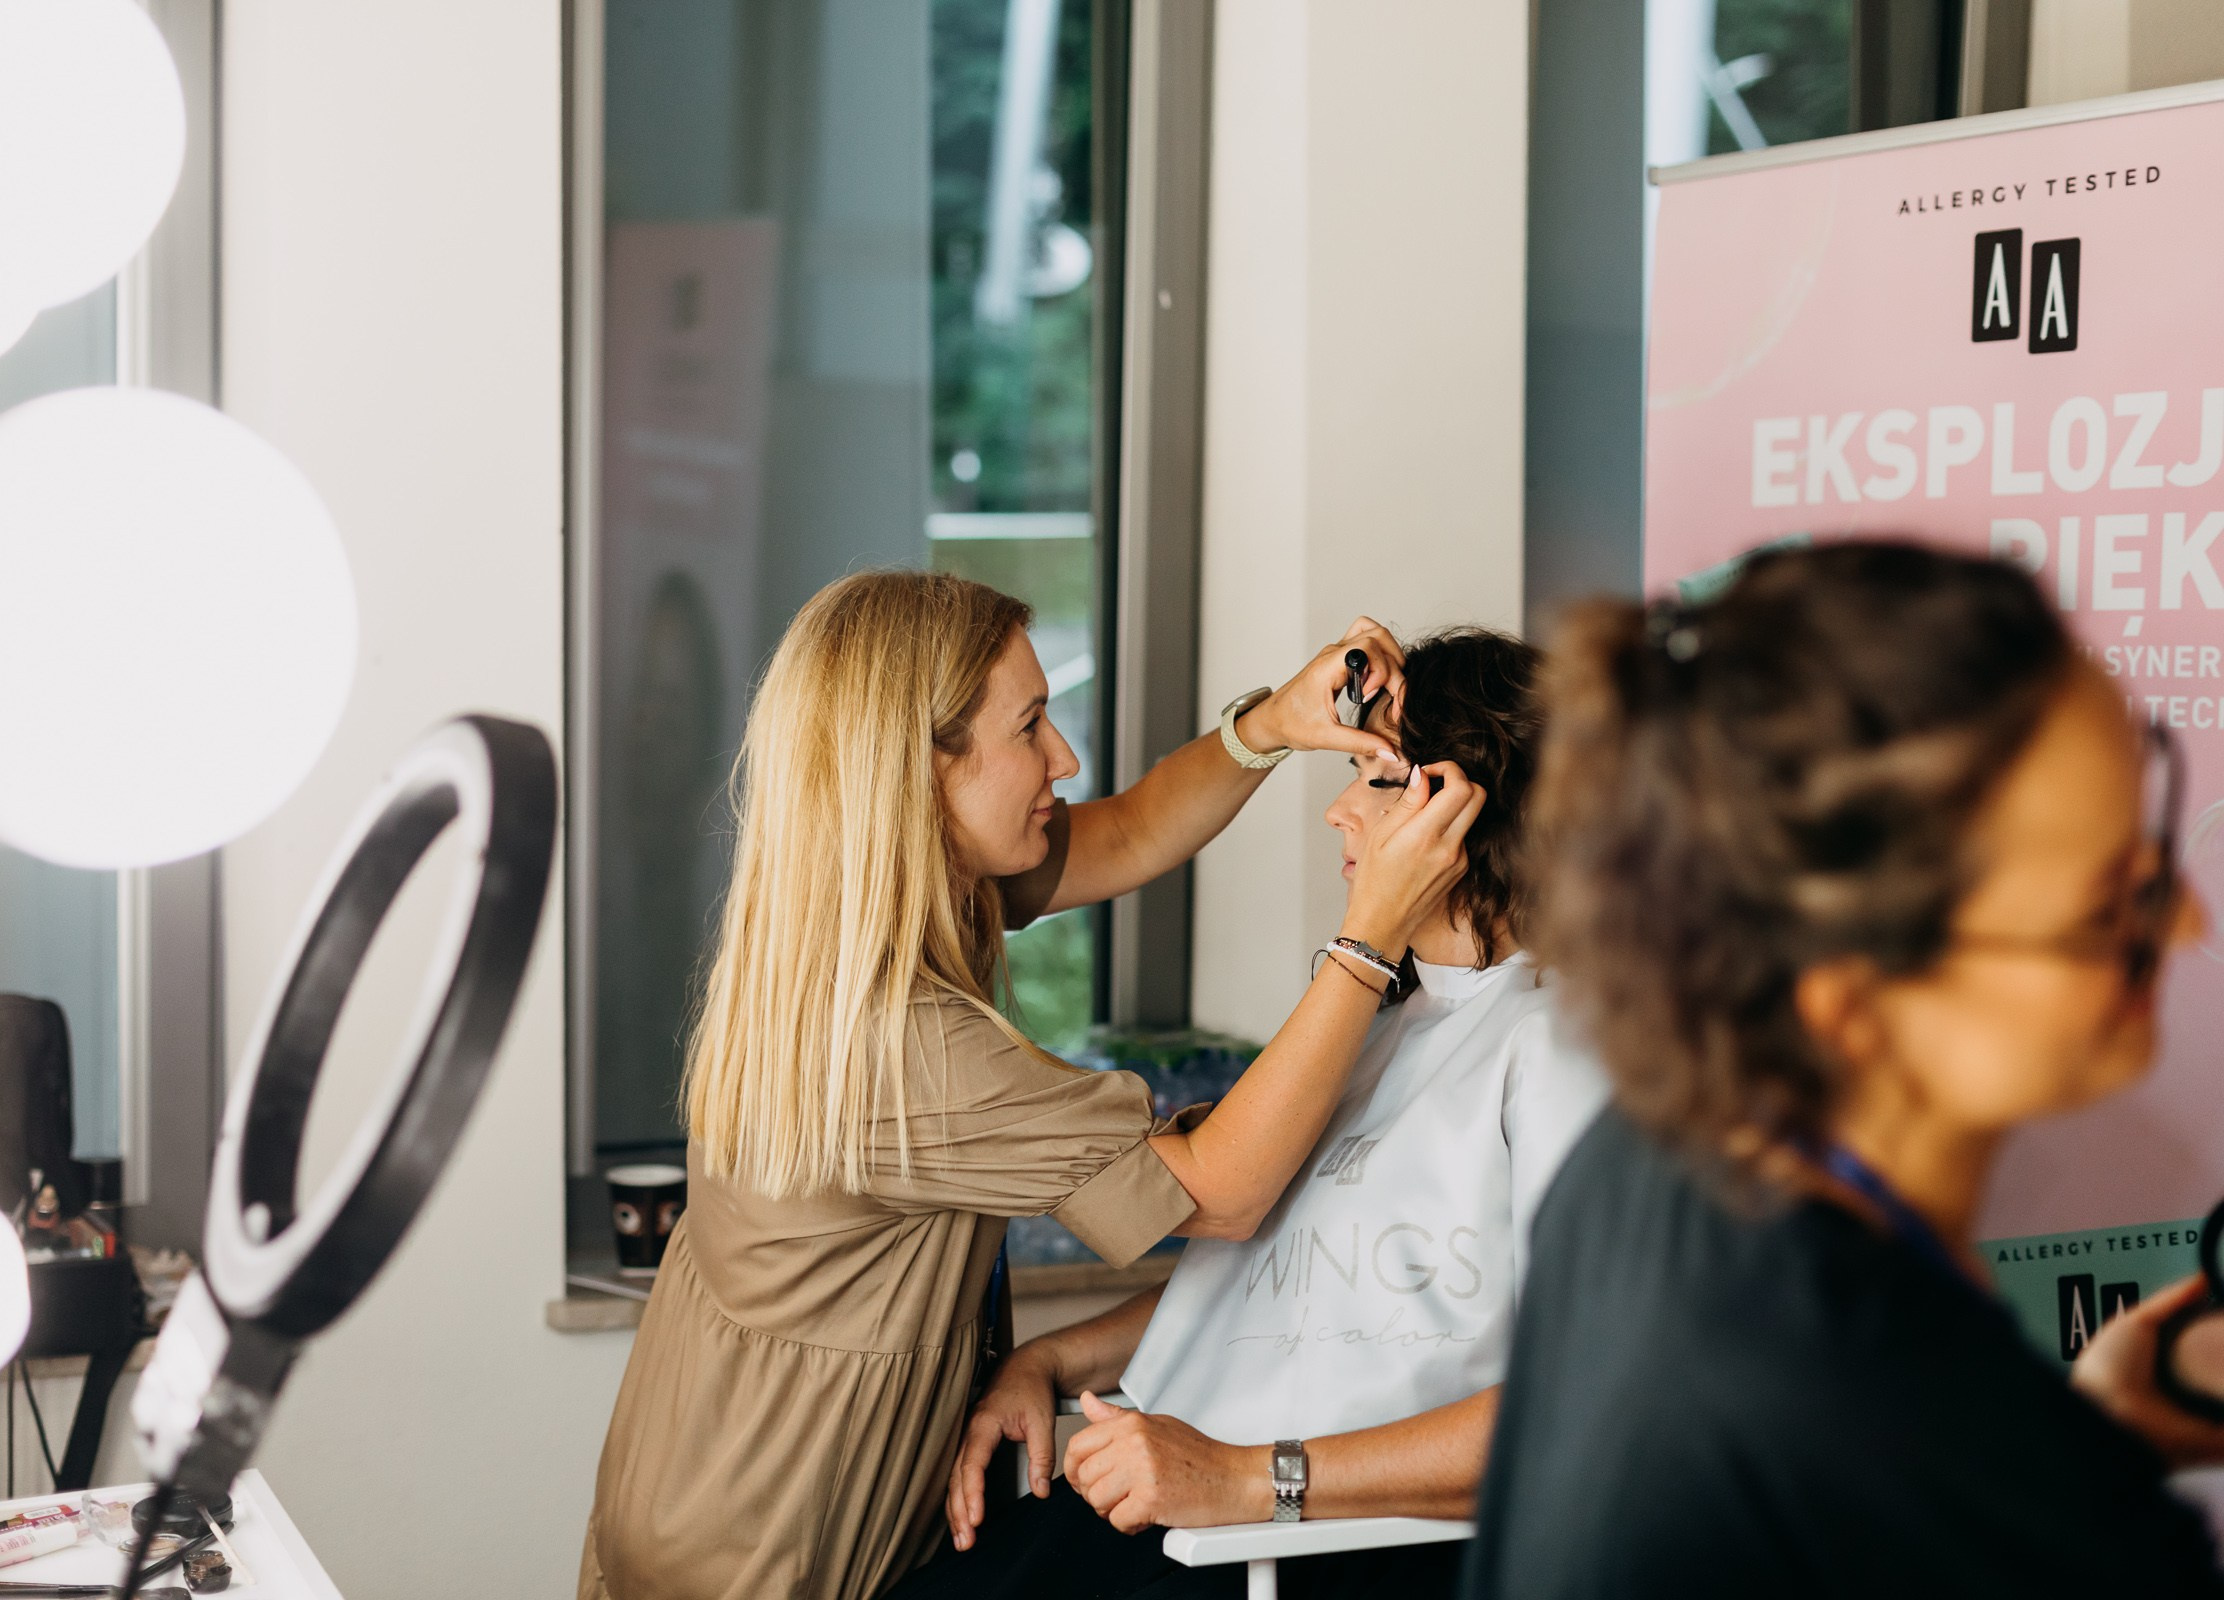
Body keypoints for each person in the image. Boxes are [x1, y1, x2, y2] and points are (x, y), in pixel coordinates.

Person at [578, 571, 1488, 1600]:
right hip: (762, 1535)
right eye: (1032, 726)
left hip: (695, 1472)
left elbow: (1138, 829)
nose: (1066, 758)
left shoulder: (894, 898)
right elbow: (1222, 1193)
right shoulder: (902, 1042)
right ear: (922, 769)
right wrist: (1370, 933)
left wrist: (1275, 722)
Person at [1465, 541, 2224, 1598]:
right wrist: (2054, 1477)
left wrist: (2079, 1443)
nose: (2186, 920)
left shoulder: (1646, 1162)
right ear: (1851, 1004)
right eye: (2109, 909)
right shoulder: (1912, 1423)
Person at [889, 628, 1609, 1600]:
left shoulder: (1567, 1046)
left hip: (1311, 1546)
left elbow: (1583, 1404)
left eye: (1379, 779)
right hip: (1181, 1507)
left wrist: (1245, 1476)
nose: (1338, 809)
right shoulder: (1384, 1014)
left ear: (1476, 813)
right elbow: (1306, 1280)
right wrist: (1053, 1357)